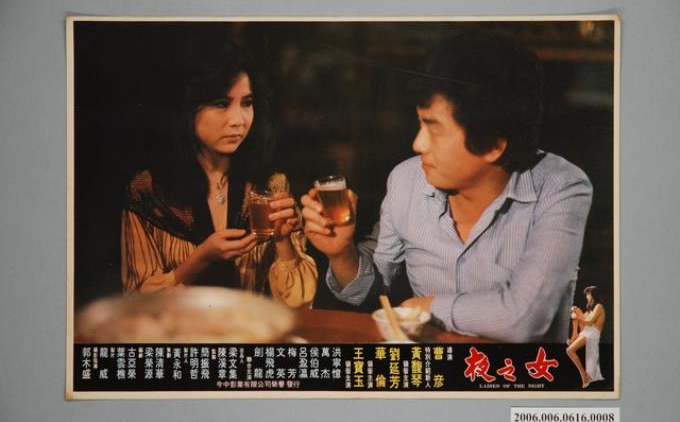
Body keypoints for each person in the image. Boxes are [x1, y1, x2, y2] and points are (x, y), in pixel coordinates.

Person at [301, 33, 593, 342]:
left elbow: (525, 318)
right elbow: (374, 294)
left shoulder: (561, 188)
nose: (418, 144)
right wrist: (342, 253)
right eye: (420, 124)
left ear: (493, 145)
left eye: (434, 129)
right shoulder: (407, 180)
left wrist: (427, 307)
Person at [121, 39, 317, 307]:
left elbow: (299, 306)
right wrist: (201, 258)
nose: (238, 120)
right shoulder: (148, 190)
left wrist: (284, 242)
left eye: (247, 103)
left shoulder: (270, 185)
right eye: (221, 104)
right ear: (187, 108)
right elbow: (135, 305)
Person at [566, 286, 605, 388]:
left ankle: (584, 375)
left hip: (593, 333)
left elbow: (589, 321)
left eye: (588, 294)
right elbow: (582, 319)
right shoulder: (590, 309)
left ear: (593, 295)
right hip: (587, 331)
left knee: (569, 350)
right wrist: (575, 313)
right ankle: (574, 335)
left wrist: (577, 315)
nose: (586, 296)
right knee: (575, 310)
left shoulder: (599, 307)